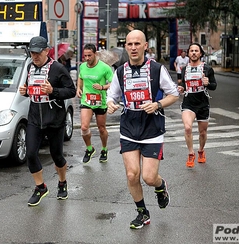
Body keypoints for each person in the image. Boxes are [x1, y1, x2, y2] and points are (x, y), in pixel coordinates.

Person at [106, 30, 179, 229]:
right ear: (126, 47)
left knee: (148, 177)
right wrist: (111, 104)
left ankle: (160, 186)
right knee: (132, 174)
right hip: (129, 127)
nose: (133, 47)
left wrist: (157, 105)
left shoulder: (157, 69)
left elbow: (173, 94)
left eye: (137, 44)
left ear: (145, 46)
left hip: (152, 128)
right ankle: (142, 212)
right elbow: (111, 96)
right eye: (130, 44)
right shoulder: (120, 71)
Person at [19, 36, 76, 206]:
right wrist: (25, 92)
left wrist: (53, 91)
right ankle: (40, 187)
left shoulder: (58, 68)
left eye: (37, 53)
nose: (34, 56)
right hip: (35, 117)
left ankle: (62, 182)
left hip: (54, 119)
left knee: (56, 156)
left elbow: (71, 91)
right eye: (32, 53)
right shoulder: (30, 67)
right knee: (30, 154)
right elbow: (31, 88)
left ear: (46, 51)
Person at [177, 42, 217, 168]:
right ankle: (191, 153)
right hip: (189, 102)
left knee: (202, 132)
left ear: (200, 53)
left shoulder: (207, 69)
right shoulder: (184, 69)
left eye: (196, 51)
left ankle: (200, 150)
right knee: (188, 128)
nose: (193, 53)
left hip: (203, 103)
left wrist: (207, 83)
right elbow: (184, 84)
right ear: (188, 53)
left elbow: (214, 86)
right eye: (191, 51)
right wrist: (181, 88)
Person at [77, 43, 114, 164]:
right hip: (86, 100)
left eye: (89, 55)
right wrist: (78, 88)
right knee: (84, 127)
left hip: (100, 101)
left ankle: (104, 149)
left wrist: (102, 87)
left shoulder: (105, 68)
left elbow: (113, 84)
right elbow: (81, 77)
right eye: (85, 56)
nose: (87, 58)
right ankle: (89, 149)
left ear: (95, 54)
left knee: (101, 128)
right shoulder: (82, 66)